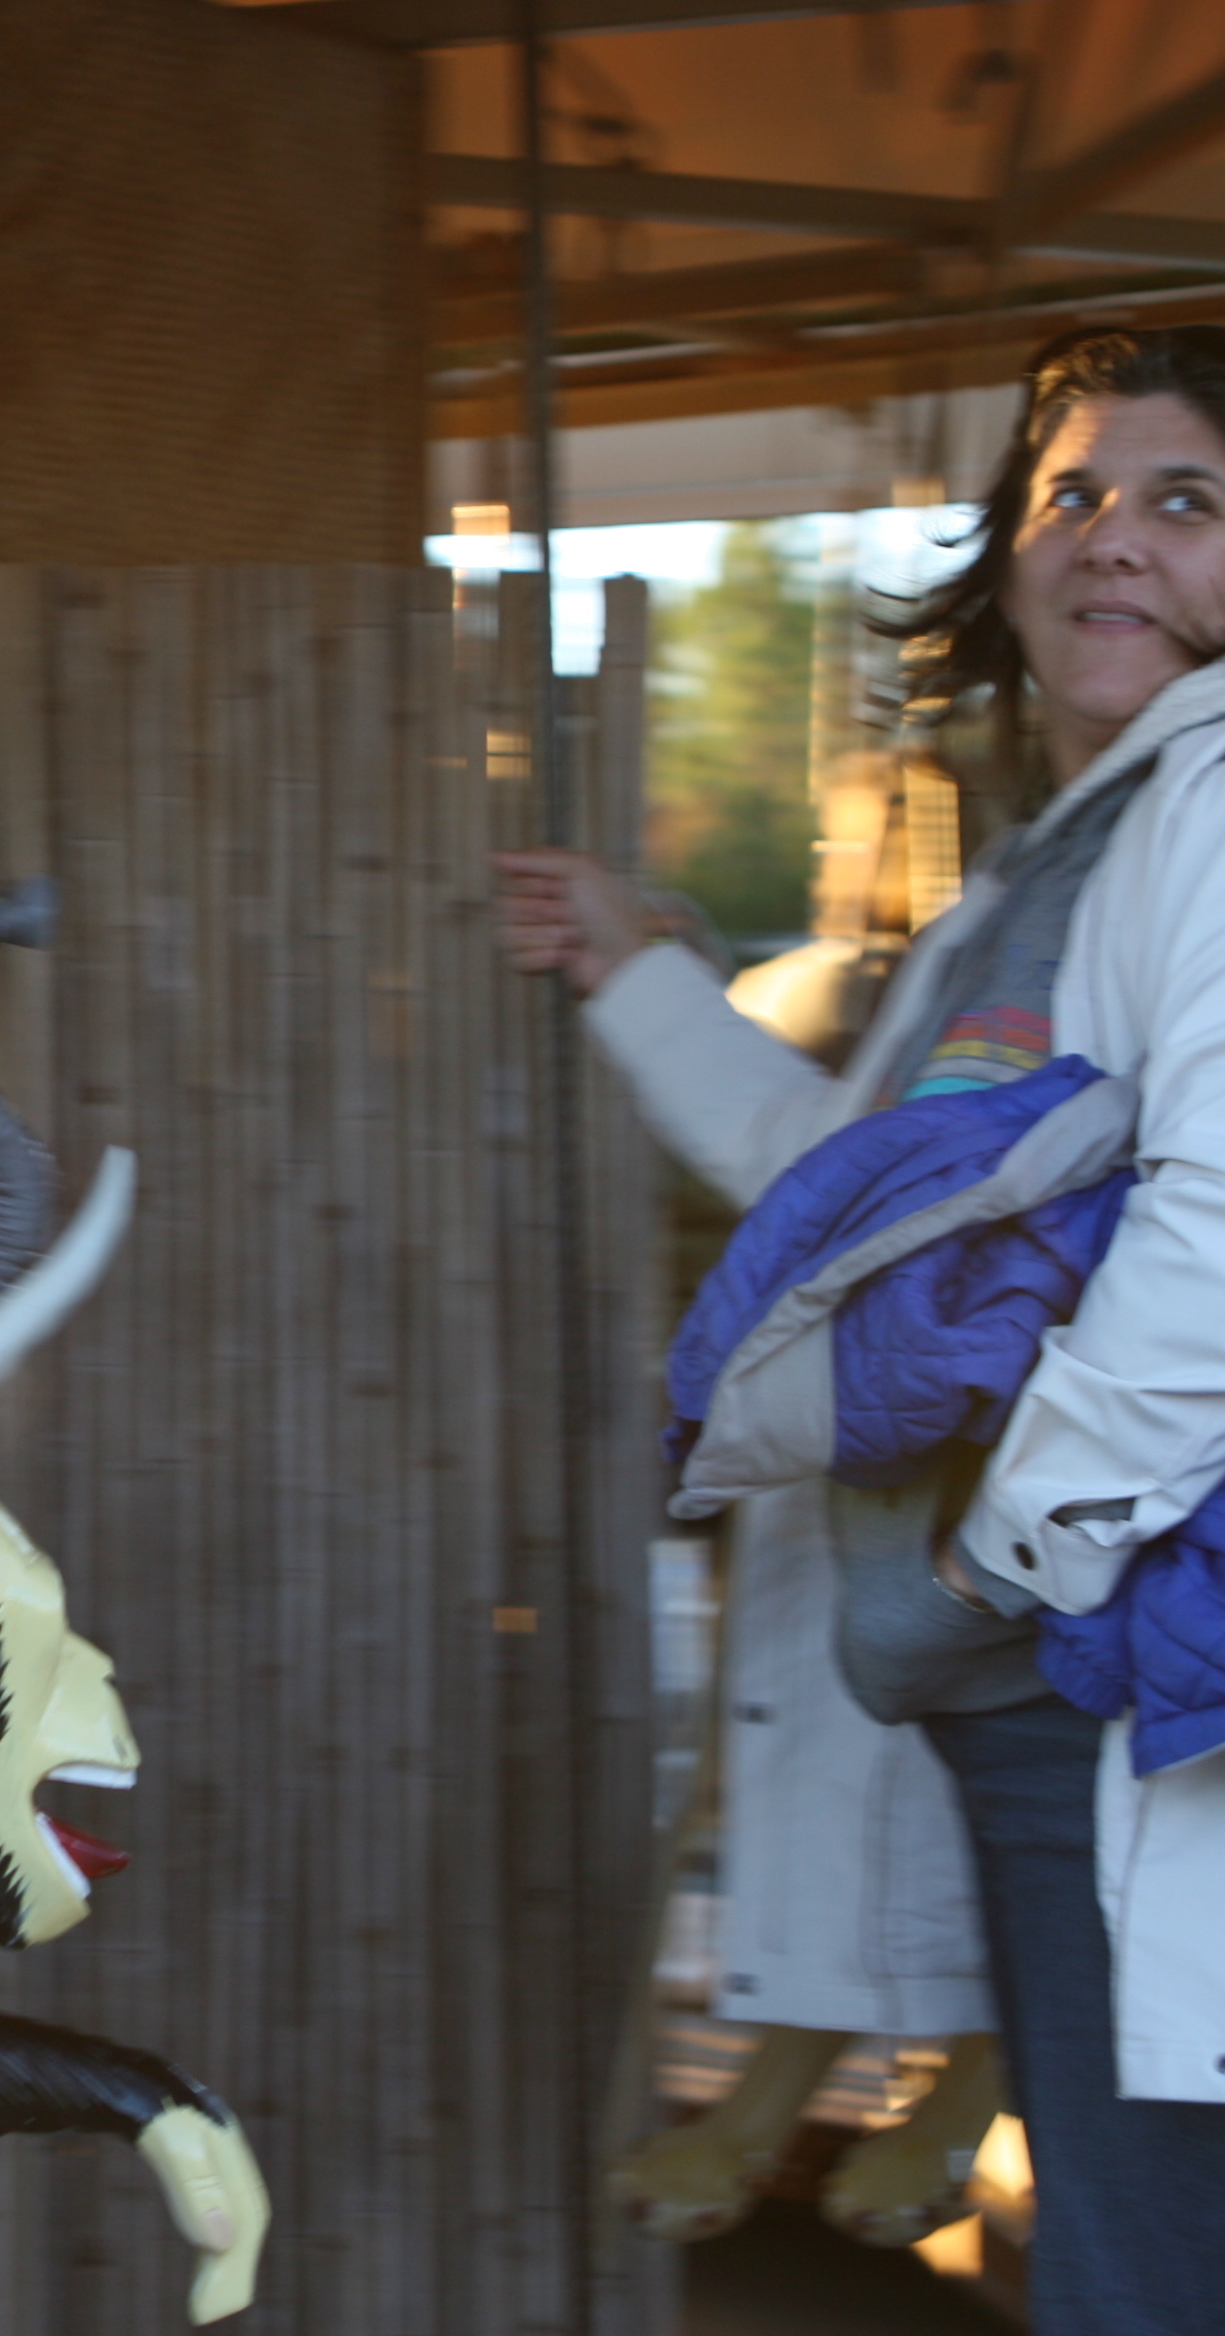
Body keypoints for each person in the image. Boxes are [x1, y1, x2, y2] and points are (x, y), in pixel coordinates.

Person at [499, 324, 1225, 2334]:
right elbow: (861, 1198)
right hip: (1055, 1674)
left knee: (1147, 2261)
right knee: (1129, 2230)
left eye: (1186, 501)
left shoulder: (1210, 804)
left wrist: (1016, 1550)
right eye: (1074, 495)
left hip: (1120, 1662)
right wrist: (643, 976)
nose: (1113, 538)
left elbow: (1216, 1234)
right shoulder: (1055, 863)